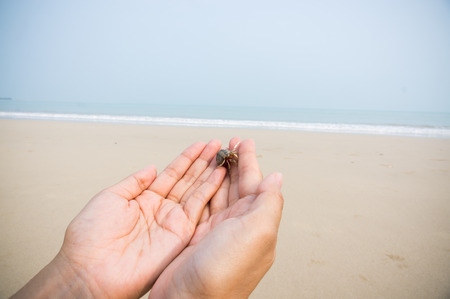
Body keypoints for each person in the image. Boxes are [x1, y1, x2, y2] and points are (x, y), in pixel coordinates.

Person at [12, 137, 284, 299]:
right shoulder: (222, 159)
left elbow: (225, 158)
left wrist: (75, 281)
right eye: (229, 157)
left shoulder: (226, 158)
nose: (230, 158)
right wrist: (77, 273)